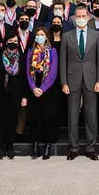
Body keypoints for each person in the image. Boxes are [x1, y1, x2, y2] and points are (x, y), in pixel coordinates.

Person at [60, 5, 99, 161]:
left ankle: (91, 148)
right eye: (77, 16)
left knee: (91, 115)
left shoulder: (96, 35)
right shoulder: (67, 36)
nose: (80, 19)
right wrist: (63, 82)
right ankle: (73, 148)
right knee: (72, 115)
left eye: (83, 16)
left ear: (88, 17)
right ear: (73, 18)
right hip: (72, 80)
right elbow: (63, 61)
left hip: (91, 79)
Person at [26, 27, 59, 160]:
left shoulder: (52, 51)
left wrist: (43, 88)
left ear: (47, 37)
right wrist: (34, 87)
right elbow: (28, 71)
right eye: (38, 34)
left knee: (48, 117)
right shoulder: (30, 51)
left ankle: (47, 146)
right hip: (34, 86)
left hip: (48, 87)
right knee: (34, 118)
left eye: (42, 34)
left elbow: (53, 71)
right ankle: (35, 146)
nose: (39, 36)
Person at [0, 34, 27, 159]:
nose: (13, 42)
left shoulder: (21, 56)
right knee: (0, 120)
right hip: (1, 91)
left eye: (15, 41)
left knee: (11, 121)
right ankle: (0, 147)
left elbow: (24, 77)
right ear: (6, 41)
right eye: (10, 40)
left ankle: (10, 147)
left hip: (15, 92)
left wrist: (24, 96)